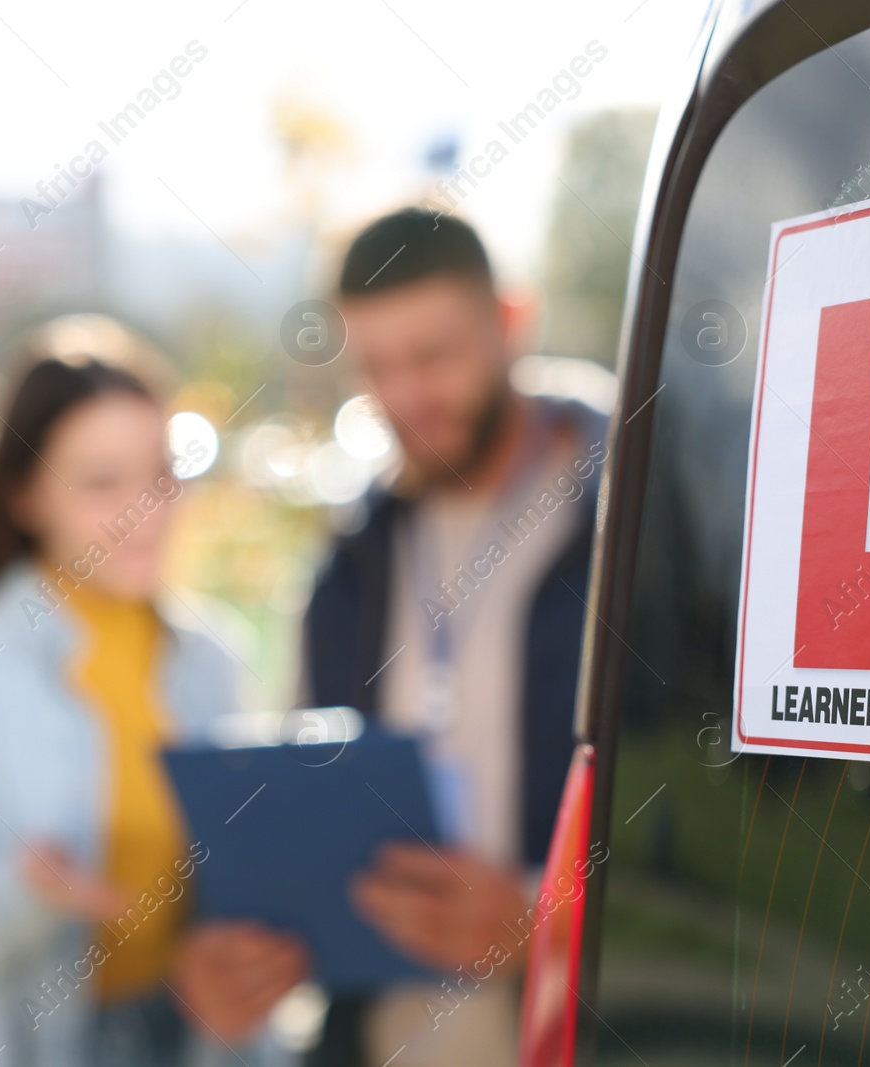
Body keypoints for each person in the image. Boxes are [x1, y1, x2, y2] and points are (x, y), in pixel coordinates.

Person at [0, 315, 306, 1067]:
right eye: (102, 483)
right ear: (24, 496)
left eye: (162, 474)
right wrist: (18, 892)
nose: (146, 512)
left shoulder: (212, 655)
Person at [301, 209, 611, 1066]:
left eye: (433, 356)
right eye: (376, 366)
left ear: (511, 321)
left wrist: (545, 922)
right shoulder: (352, 558)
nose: (405, 397)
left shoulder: (640, 518)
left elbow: (711, 821)